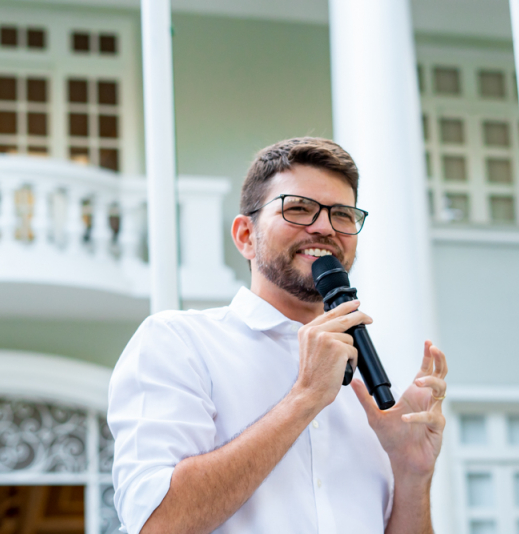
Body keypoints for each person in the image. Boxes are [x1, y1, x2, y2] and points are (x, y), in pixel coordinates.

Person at [108, 137, 448, 534]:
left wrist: (412, 474)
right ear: (245, 236)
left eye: (342, 215)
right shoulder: (177, 342)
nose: (324, 227)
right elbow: (157, 524)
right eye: (299, 208)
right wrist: (304, 397)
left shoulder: (375, 379)